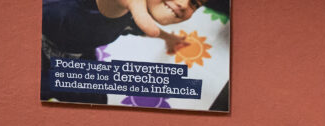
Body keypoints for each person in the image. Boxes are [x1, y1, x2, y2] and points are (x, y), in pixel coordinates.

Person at [41, 0, 228, 103]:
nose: (183, 4)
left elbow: (133, 26)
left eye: (194, 4)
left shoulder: (132, 14)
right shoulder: (103, 7)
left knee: (97, 99)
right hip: (40, 66)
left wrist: (169, 38)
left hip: (77, 56)